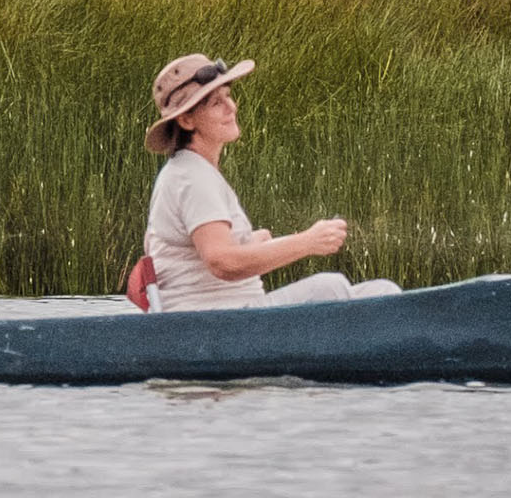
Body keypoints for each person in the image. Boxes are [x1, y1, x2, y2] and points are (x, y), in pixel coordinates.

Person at [142, 53, 401, 311]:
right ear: (186, 120)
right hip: (218, 325)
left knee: (384, 292)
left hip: (227, 319)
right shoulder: (192, 177)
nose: (231, 107)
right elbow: (222, 262)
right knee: (329, 287)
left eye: (228, 96)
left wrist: (249, 243)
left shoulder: (189, 171)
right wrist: (308, 242)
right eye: (215, 103)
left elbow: (205, 254)